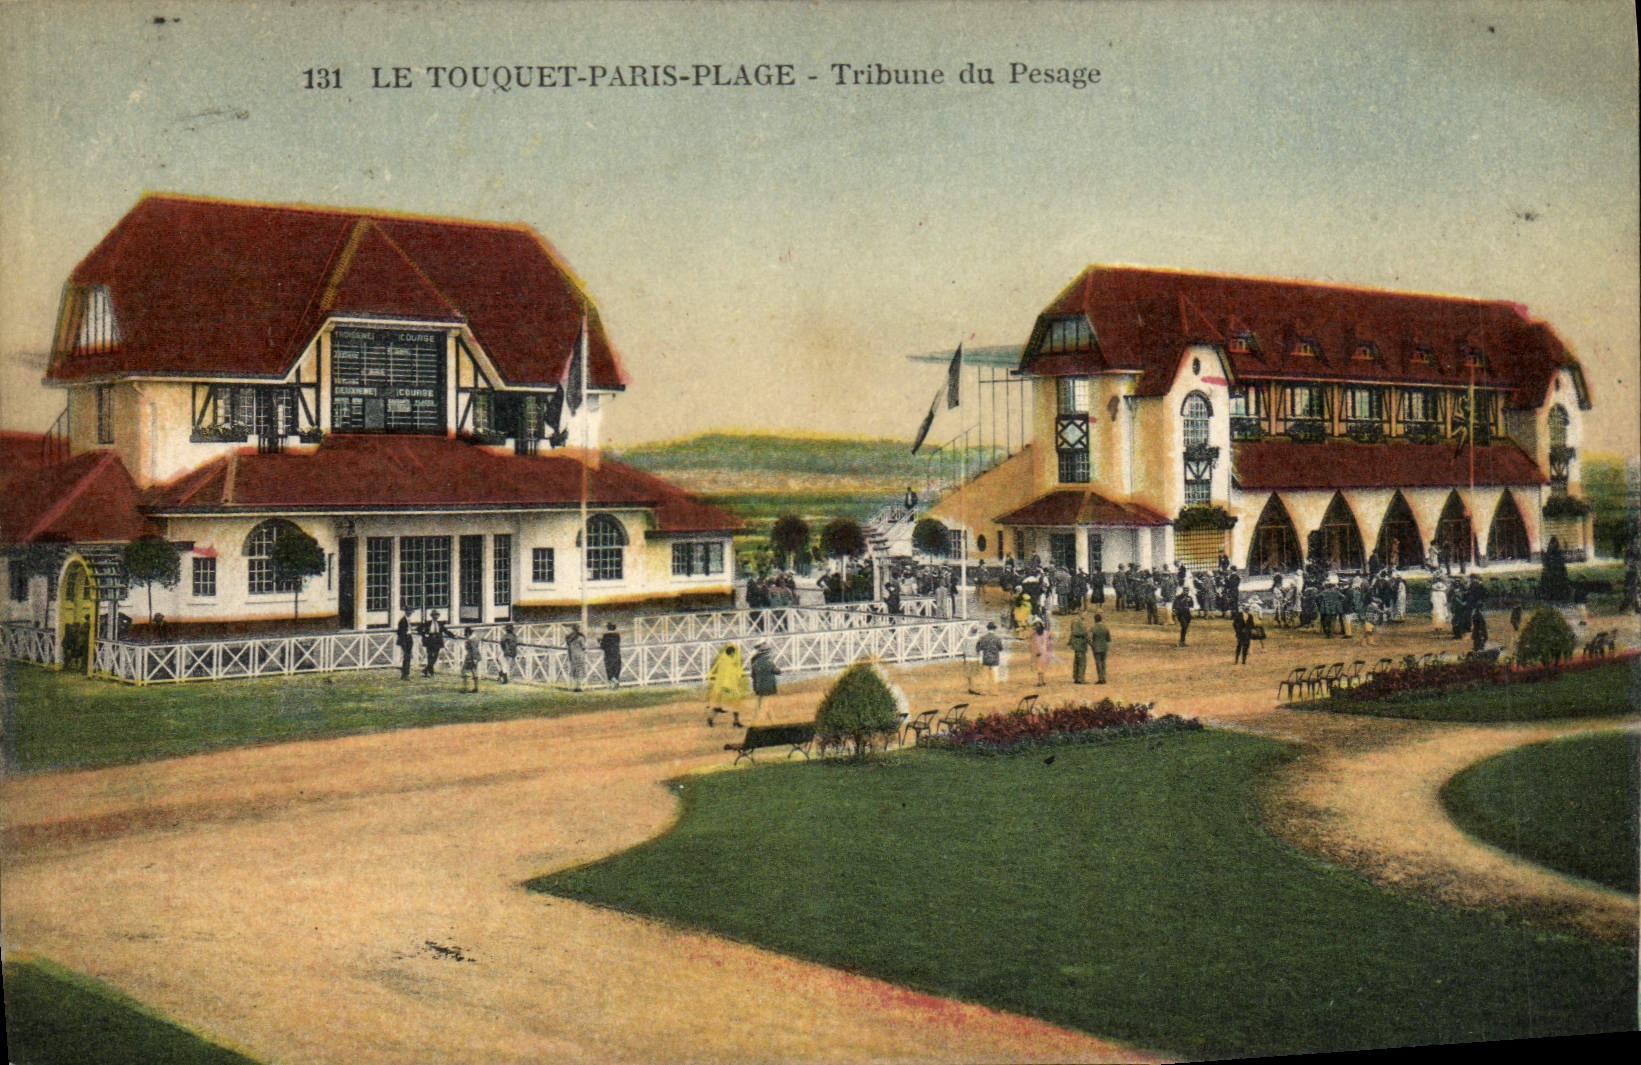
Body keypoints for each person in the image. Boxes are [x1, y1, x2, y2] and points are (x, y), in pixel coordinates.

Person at [705, 643, 750, 721]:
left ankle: (711, 718)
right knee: (733, 705)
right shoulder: (729, 664)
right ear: (732, 653)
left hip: (723, 687)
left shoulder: (724, 662)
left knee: (721, 706)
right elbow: (728, 676)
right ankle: (735, 721)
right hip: (729, 687)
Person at [749, 642, 781, 721]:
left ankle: (773, 720)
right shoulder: (769, 662)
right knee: (765, 704)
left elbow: (752, 675)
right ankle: (760, 720)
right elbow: (777, 671)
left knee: (762, 703)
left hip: (759, 686)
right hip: (768, 686)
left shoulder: (755, 663)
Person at [976, 622, 1005, 693]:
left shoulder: (983, 638)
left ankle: (984, 690)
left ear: (987, 629)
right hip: (995, 659)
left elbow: (978, 647)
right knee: (995, 676)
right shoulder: (997, 638)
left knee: (985, 676)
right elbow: (1001, 648)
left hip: (985, 658)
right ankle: (994, 690)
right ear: (994, 629)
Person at [420, 611, 446, 676]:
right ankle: (431, 672)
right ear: (432, 616)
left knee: (436, 656)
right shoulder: (427, 623)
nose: (436, 617)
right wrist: (424, 635)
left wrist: (453, 635)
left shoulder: (440, 624)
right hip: (430, 640)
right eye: (434, 615)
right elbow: (419, 629)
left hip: (437, 641)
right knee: (430, 656)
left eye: (437, 615)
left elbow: (446, 631)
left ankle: (426, 669)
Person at [1030, 619, 1053, 686]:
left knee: (1039, 667)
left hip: (1039, 651)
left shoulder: (1035, 634)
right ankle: (1042, 681)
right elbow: (1049, 642)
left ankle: (1040, 681)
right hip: (1044, 651)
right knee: (1042, 667)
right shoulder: (1045, 633)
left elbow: (1033, 643)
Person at [1089, 612, 1111, 684]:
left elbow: (1088, 637)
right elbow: (1108, 639)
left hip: (1096, 647)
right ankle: (1104, 677)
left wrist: (1091, 644)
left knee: (1098, 663)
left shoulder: (1093, 628)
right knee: (1103, 663)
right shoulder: (1105, 627)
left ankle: (1100, 678)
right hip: (1104, 647)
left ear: (1094, 620)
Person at [599, 621, 622, 688]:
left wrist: (600, 641)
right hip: (616, 653)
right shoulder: (617, 635)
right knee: (616, 668)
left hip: (609, 654)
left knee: (609, 669)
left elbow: (603, 646)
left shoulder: (606, 635)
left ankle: (612, 683)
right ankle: (616, 681)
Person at [565, 623, 587, 691]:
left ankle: (573, 686)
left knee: (573, 670)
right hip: (580, 655)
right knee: (579, 671)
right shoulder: (580, 637)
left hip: (572, 655)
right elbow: (583, 647)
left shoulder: (569, 637)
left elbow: (568, 645)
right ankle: (579, 686)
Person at [1068, 613, 1089, 683]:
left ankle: (1076, 677)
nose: (1086, 616)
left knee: (1076, 661)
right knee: (1082, 662)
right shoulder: (1080, 623)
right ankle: (1081, 678)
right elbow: (1085, 634)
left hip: (1076, 644)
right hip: (1081, 644)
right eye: (1085, 614)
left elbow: (1072, 632)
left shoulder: (1074, 621)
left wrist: (1070, 642)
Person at [459, 627, 480, 693]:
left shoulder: (470, 640)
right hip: (475, 656)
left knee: (464, 671)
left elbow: (473, 649)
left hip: (470, 657)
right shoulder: (475, 639)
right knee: (474, 671)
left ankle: (465, 687)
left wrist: (474, 658)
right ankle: (475, 687)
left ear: (468, 633)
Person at [396, 614, 415, 680]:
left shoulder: (408, 619)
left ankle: (405, 673)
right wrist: (403, 640)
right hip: (405, 640)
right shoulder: (403, 620)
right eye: (409, 611)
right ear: (406, 611)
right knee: (407, 656)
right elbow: (399, 631)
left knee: (408, 656)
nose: (410, 612)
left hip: (409, 638)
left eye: (411, 611)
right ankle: (405, 674)